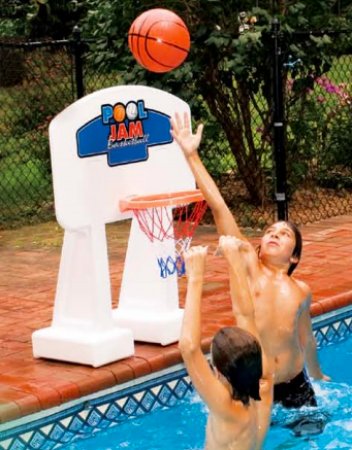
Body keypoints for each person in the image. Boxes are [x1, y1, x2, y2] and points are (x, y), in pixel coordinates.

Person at [171, 112, 329, 410]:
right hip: (257, 386)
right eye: (270, 231)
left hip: (296, 384)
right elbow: (217, 206)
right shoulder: (249, 267)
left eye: (283, 234)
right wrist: (191, 155)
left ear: (294, 255)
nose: (274, 233)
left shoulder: (301, 291)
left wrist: (318, 374)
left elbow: (305, 338)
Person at [179, 237, 273, 450]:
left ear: (219, 373)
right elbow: (245, 315)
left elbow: (189, 348)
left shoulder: (227, 409)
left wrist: (196, 278)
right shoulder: (265, 382)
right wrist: (233, 257)